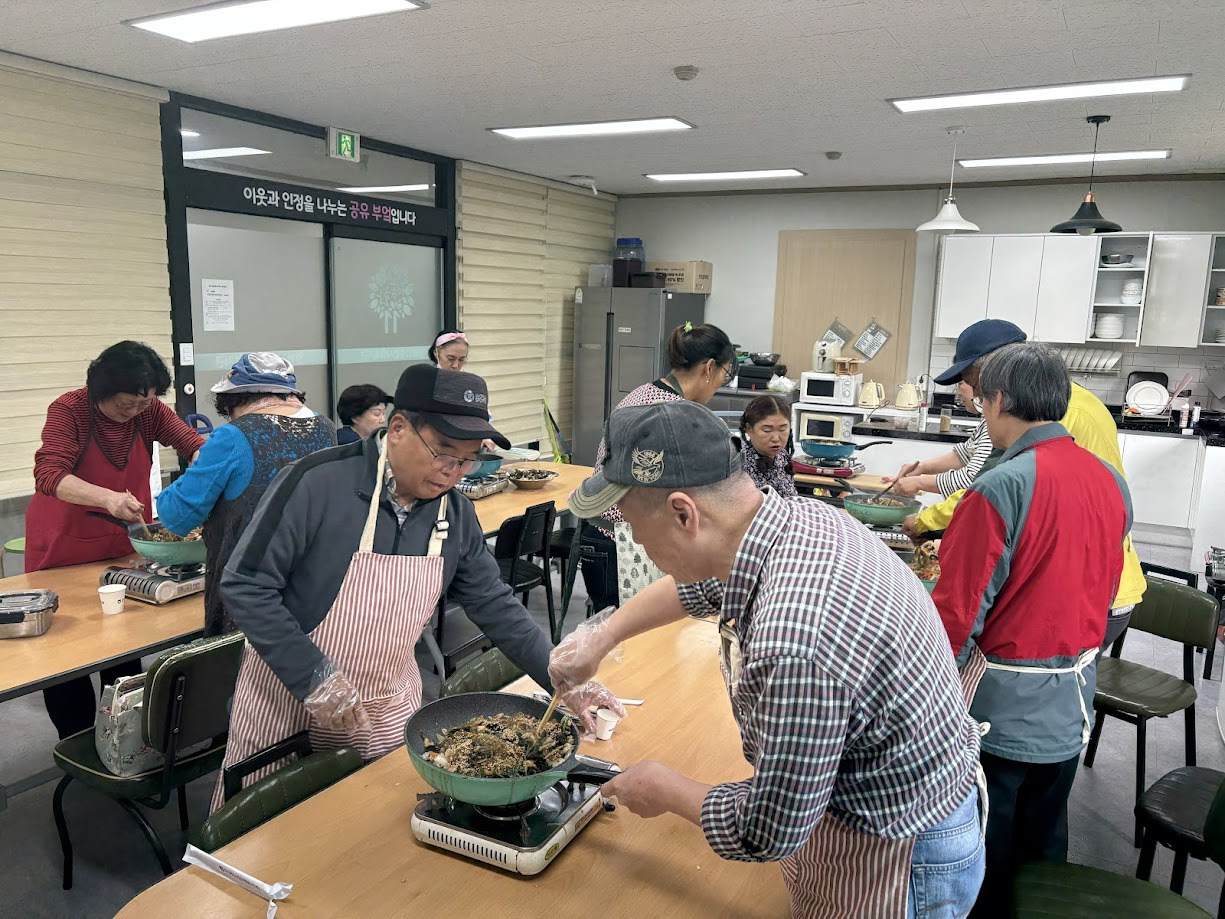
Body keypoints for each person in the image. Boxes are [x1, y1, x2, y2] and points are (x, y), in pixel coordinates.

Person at [553, 400, 985, 918]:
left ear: (683, 513)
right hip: (914, 792)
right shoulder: (798, 519)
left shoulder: (794, 642)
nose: (637, 541)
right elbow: (704, 585)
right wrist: (600, 638)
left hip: (902, 850)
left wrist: (665, 789)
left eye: (632, 524)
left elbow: (767, 830)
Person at [213, 363, 620, 810]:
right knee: (277, 837)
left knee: (374, 829)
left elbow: (494, 603)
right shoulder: (315, 483)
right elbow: (245, 585)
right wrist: (312, 677)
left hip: (384, 708)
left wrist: (560, 676)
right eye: (443, 452)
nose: (452, 472)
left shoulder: (455, 514)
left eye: (466, 459)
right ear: (398, 429)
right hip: (285, 705)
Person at [931, 343, 1132, 917]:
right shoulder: (1110, 481)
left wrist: (927, 694)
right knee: (1044, 846)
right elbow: (1103, 584)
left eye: (981, 403)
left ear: (997, 400)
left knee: (986, 847)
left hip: (1000, 710)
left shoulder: (1000, 487)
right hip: (1073, 701)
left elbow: (957, 614)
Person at [906, 319, 1146, 646]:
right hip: (1089, 585)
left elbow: (991, 491)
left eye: (975, 382)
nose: (974, 393)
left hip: (1084, 592)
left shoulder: (1045, 414)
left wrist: (925, 520)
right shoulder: (1048, 405)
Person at [27, 341, 203, 739]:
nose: (135, 412)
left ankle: (120, 737)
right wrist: (107, 498)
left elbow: (192, 444)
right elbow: (49, 475)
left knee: (123, 642)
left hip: (124, 541)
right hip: (64, 544)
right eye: (126, 404)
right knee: (66, 652)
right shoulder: (69, 410)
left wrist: (207, 469)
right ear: (100, 391)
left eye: (144, 403)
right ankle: (75, 740)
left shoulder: (149, 410)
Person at [156, 353, 336, 637]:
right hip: (315, 588)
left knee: (244, 663)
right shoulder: (326, 428)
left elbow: (177, 516)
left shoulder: (233, 436)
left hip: (250, 595)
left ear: (235, 401)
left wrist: (196, 470)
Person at [583, 322, 737, 611]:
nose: (720, 385)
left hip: (601, 534)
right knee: (628, 634)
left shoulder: (644, 392)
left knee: (612, 629)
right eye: (724, 375)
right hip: (620, 541)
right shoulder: (674, 414)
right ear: (709, 368)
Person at [883, 379, 987, 499]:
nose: (957, 392)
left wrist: (919, 482)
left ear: (977, 380)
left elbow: (973, 479)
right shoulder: (986, 420)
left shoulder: (995, 423)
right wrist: (921, 467)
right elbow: (964, 455)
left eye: (960, 384)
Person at [737, 394, 797, 498]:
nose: (776, 438)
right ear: (749, 429)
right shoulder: (739, 464)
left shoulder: (783, 456)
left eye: (782, 429)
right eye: (767, 430)